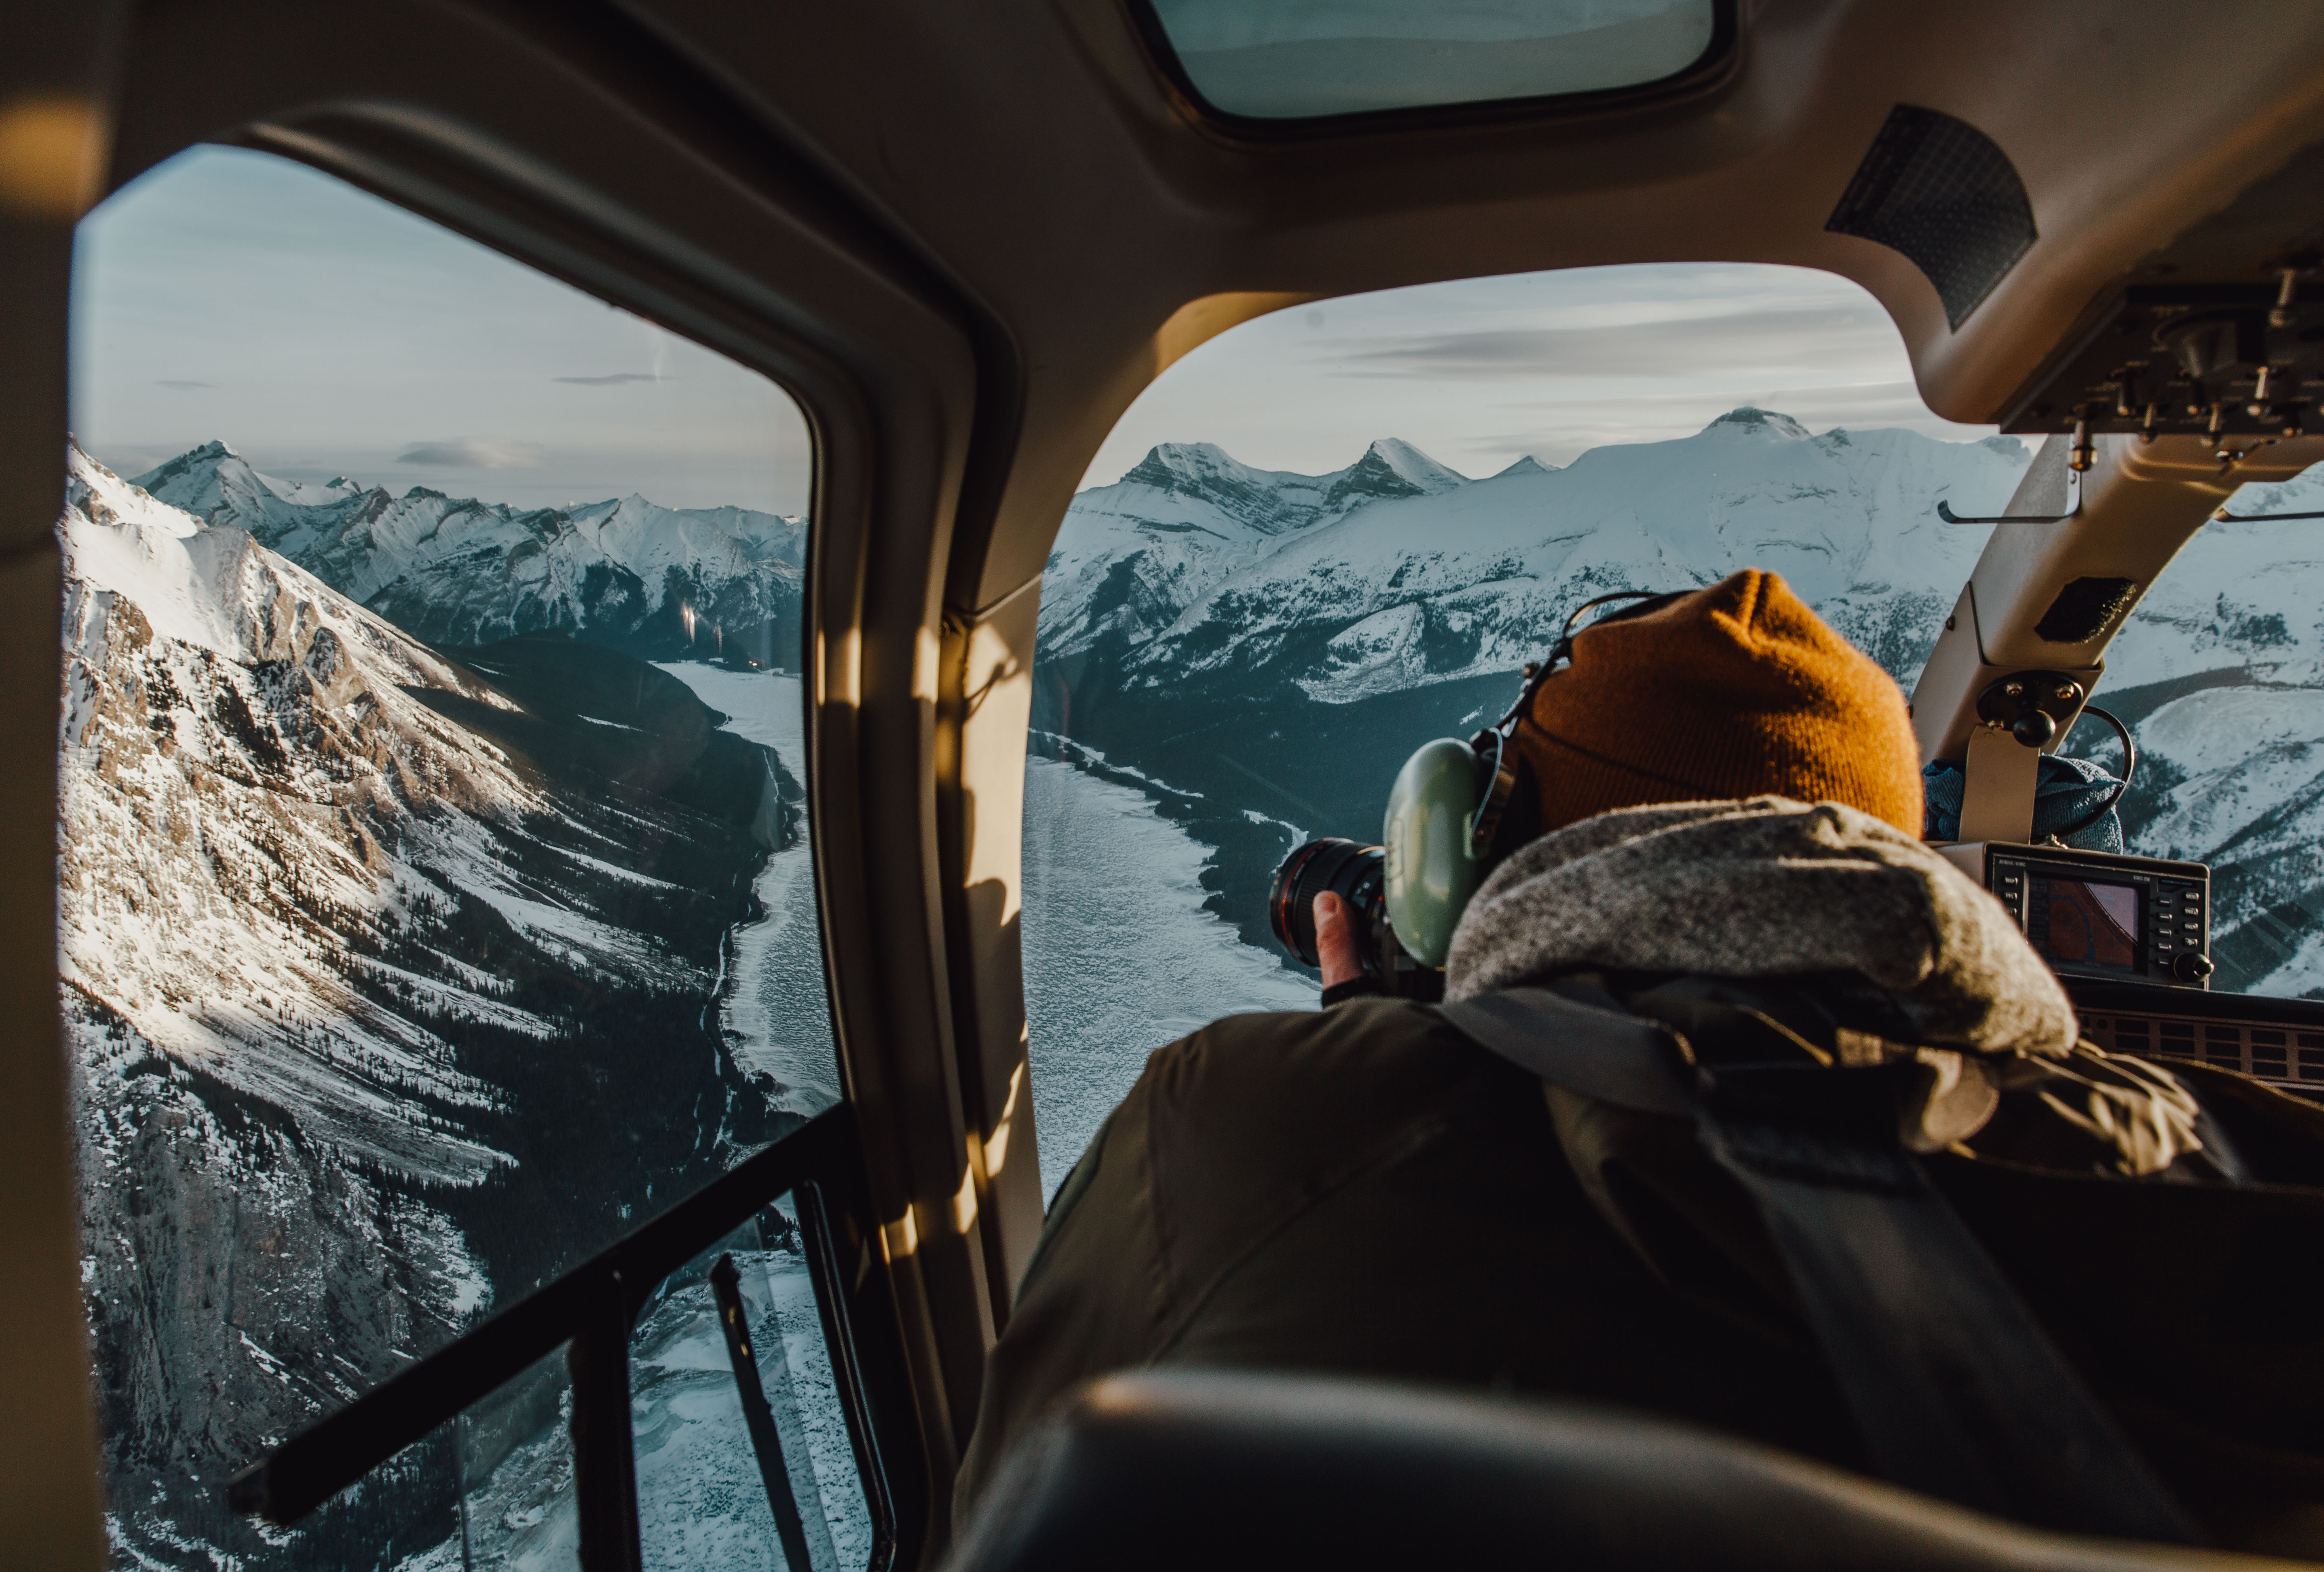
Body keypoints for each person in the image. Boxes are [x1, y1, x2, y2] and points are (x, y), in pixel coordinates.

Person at [954, 569, 2324, 1555]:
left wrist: (1367, 1067)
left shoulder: (1236, 1126)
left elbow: (1001, 1508)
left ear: (1483, 851)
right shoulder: (2229, 1150)